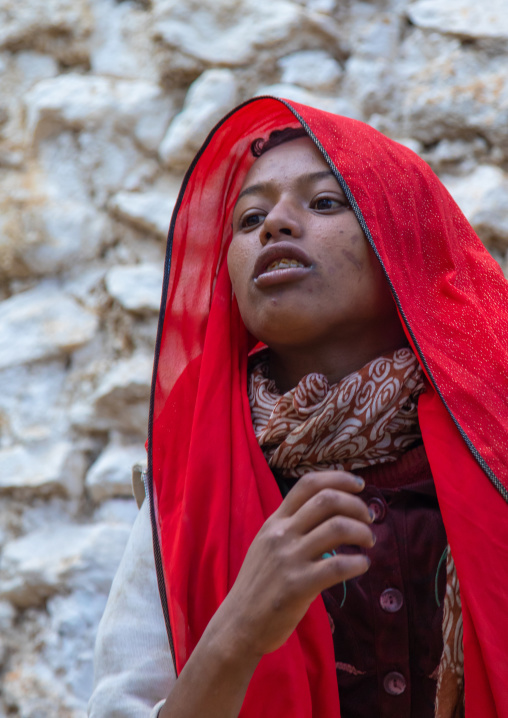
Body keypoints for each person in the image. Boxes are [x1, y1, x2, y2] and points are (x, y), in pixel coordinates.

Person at [88, 98, 508, 718]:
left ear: (403, 240)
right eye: (249, 216)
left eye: (324, 202)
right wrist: (240, 629)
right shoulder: (185, 486)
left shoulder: (494, 439)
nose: (274, 225)